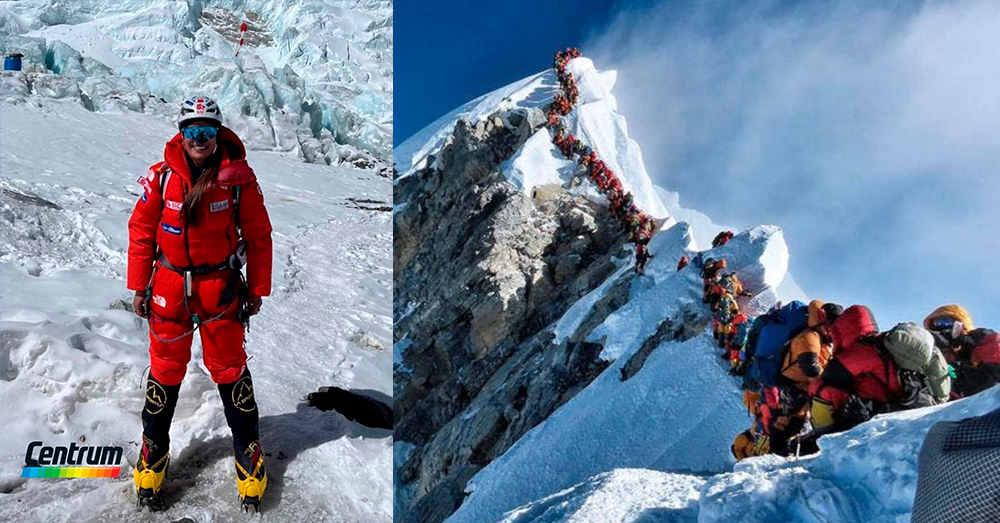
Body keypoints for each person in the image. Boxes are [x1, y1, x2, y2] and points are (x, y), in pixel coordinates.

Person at [127, 96, 273, 510]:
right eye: (192, 131)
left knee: (229, 370)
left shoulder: (238, 180)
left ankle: (248, 454)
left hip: (221, 290)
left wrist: (257, 289)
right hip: (169, 288)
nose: (199, 139)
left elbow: (259, 237)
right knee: (165, 370)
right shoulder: (161, 178)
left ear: (218, 133)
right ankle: (153, 452)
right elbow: (140, 231)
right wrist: (139, 286)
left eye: (207, 131)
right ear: (181, 133)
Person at [923, 305, 1000, 398]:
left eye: (946, 322)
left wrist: (972, 342)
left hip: (988, 398)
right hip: (945, 405)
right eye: (937, 323)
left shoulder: (977, 343)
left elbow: (996, 355)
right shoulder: (931, 353)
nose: (941, 327)